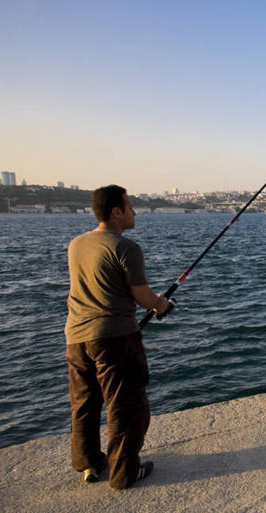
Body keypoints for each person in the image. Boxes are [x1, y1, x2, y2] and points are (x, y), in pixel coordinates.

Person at [65, 185, 173, 489]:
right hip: (113, 339)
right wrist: (163, 305)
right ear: (116, 212)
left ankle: (89, 462)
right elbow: (143, 297)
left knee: (85, 403)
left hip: (75, 337)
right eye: (129, 206)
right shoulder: (126, 248)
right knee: (126, 405)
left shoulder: (76, 244)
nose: (134, 211)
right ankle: (125, 473)